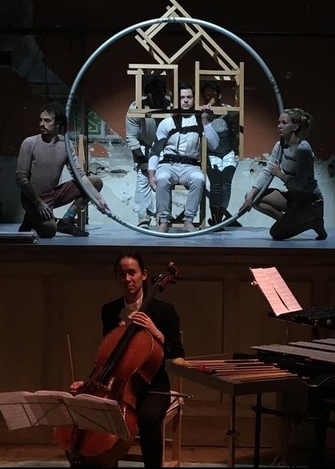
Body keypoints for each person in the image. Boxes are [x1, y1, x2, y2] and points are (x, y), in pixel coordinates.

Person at [68, 251, 184, 469]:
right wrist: (89, 383)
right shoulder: (110, 311)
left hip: (153, 387)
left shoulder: (163, 311)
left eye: (132, 273)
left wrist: (157, 334)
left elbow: (178, 355)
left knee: (148, 418)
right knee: (79, 412)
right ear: (116, 277)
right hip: (114, 385)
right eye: (122, 274)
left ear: (143, 275)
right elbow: (108, 358)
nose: (127, 279)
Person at [15, 106, 109, 237]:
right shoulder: (30, 143)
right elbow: (20, 178)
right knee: (49, 231)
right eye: (41, 120)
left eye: (47, 121)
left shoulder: (65, 144)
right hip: (33, 198)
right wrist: (38, 203)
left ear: (58, 124)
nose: (42, 124)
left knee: (96, 182)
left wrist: (99, 199)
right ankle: (31, 217)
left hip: (53, 195)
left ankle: (66, 221)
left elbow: (79, 175)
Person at [238, 108, 327, 240]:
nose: (279, 126)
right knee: (254, 198)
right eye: (278, 122)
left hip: (310, 201)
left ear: (295, 126)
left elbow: (301, 184)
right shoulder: (280, 145)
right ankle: (287, 220)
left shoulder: (303, 148)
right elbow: (268, 170)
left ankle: (314, 222)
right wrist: (250, 196)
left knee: (276, 234)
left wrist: (280, 174)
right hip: (293, 198)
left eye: (284, 123)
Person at [147, 83, 219, 232]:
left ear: (193, 99)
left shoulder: (200, 121)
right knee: (162, 178)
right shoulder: (167, 122)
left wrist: (206, 123)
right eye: (182, 97)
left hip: (190, 166)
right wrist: (151, 172)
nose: (186, 100)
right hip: (168, 164)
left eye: (189, 97)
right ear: (176, 100)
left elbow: (215, 145)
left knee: (199, 179)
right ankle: (164, 221)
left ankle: (188, 220)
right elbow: (155, 150)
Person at [125, 74, 172, 228]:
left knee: (164, 179)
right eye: (155, 94)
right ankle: (143, 218)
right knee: (143, 178)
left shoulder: (169, 105)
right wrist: (143, 162)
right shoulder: (135, 108)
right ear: (147, 94)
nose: (159, 98)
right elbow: (131, 138)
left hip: (165, 146)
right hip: (144, 146)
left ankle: (163, 217)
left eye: (162, 93)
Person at [199, 80, 242, 228]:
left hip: (228, 151)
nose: (209, 98)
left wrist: (237, 152)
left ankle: (220, 216)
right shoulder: (203, 111)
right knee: (216, 185)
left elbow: (236, 129)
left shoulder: (227, 110)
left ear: (219, 95)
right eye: (206, 95)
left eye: (212, 94)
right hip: (212, 153)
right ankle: (215, 220)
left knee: (226, 185)